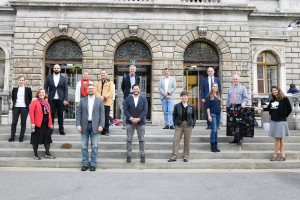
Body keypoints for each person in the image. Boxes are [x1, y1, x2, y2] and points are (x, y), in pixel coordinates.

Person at [255, 86, 292, 161]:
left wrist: (284, 115)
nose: (274, 91)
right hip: (274, 120)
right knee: (280, 139)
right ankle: (283, 156)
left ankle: (274, 155)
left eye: (275, 90)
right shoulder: (272, 99)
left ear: (278, 90)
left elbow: (289, 109)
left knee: (277, 138)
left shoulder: (284, 99)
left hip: (281, 121)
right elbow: (268, 108)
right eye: (272, 90)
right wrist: (259, 108)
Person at [76, 84, 105, 171]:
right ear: (87, 90)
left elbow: (102, 115)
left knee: (94, 147)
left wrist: (101, 125)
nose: (91, 90)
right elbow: (78, 113)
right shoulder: (82, 100)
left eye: (92, 89)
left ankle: (93, 164)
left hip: (95, 126)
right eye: (89, 89)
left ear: (95, 90)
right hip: (84, 126)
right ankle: (85, 164)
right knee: (83, 146)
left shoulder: (99, 101)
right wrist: (78, 124)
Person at [168, 91, 196, 163]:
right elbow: (174, 115)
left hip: (188, 125)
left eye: (185, 96)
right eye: (182, 96)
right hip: (179, 125)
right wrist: (175, 123)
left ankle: (185, 156)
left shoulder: (191, 106)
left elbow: (194, 116)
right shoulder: (177, 106)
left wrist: (193, 124)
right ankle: (174, 157)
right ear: (181, 97)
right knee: (176, 141)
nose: (184, 97)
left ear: (187, 97)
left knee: (187, 141)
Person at [124, 84, 148, 163]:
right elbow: (125, 110)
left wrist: (138, 119)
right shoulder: (127, 99)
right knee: (129, 139)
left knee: (141, 139)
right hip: (130, 122)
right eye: (134, 89)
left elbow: (145, 110)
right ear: (132, 90)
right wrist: (131, 118)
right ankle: (128, 155)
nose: (135, 90)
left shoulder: (143, 99)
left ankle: (142, 155)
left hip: (140, 122)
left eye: (137, 89)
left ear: (139, 89)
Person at [29, 88, 55, 160]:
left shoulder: (47, 103)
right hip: (37, 124)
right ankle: (35, 154)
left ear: (45, 94)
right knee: (35, 139)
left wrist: (50, 123)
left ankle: (47, 154)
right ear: (38, 94)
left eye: (43, 92)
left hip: (46, 123)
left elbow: (49, 114)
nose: (41, 94)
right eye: (40, 92)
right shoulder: (34, 102)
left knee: (47, 139)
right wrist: (32, 123)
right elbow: (31, 113)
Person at [44, 64, 68, 135]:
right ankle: (50, 129)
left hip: (61, 99)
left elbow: (66, 89)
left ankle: (61, 130)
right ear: (53, 69)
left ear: (60, 69)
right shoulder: (48, 77)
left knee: (60, 114)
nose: (56, 69)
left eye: (57, 68)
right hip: (51, 99)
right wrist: (45, 98)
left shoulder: (63, 78)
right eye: (55, 68)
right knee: (51, 114)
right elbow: (45, 87)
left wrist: (65, 99)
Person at [226, 74, 249, 145]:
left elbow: (246, 97)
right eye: (234, 79)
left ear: (239, 80)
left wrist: (244, 103)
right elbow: (228, 98)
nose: (235, 80)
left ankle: (240, 138)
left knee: (240, 123)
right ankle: (235, 138)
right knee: (233, 124)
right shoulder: (230, 89)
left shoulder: (243, 88)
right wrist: (227, 106)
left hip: (240, 107)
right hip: (232, 107)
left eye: (236, 79)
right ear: (232, 80)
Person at [9, 76, 32, 142]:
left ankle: (21, 137)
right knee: (14, 122)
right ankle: (12, 137)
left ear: (24, 81)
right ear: (18, 80)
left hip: (24, 108)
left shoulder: (28, 88)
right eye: (20, 80)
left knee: (23, 123)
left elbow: (30, 98)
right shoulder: (15, 88)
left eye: (22, 80)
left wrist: (26, 104)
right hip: (16, 107)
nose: (21, 81)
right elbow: (13, 98)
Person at [207, 83, 226, 152]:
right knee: (214, 130)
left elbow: (216, 105)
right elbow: (208, 107)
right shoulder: (209, 96)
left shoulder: (218, 95)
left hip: (218, 114)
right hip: (212, 114)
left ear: (218, 87)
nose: (215, 88)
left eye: (216, 86)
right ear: (212, 87)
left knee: (216, 130)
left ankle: (215, 145)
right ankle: (212, 145)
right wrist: (209, 116)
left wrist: (223, 107)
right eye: (214, 86)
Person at [95, 70, 114, 136]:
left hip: (106, 102)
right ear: (100, 74)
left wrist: (104, 97)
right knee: (99, 116)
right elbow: (95, 91)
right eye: (102, 73)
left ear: (106, 74)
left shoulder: (110, 82)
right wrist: (100, 97)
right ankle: (100, 129)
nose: (103, 74)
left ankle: (106, 130)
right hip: (99, 102)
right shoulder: (97, 83)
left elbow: (111, 91)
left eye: (104, 73)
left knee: (106, 116)